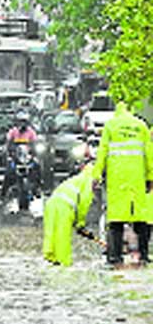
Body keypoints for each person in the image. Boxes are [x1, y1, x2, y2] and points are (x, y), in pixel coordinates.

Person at [94, 102, 153, 266]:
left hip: (117, 179)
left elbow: (102, 153)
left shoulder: (111, 126)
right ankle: (144, 255)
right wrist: (150, 177)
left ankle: (115, 256)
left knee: (116, 219)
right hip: (137, 178)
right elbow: (149, 155)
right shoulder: (141, 126)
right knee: (140, 217)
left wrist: (96, 175)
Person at [42, 164, 100, 266]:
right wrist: (80, 223)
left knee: (51, 233)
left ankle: (52, 257)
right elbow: (83, 203)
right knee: (62, 237)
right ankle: (64, 263)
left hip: (50, 204)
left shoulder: (76, 178)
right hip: (64, 208)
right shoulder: (88, 181)